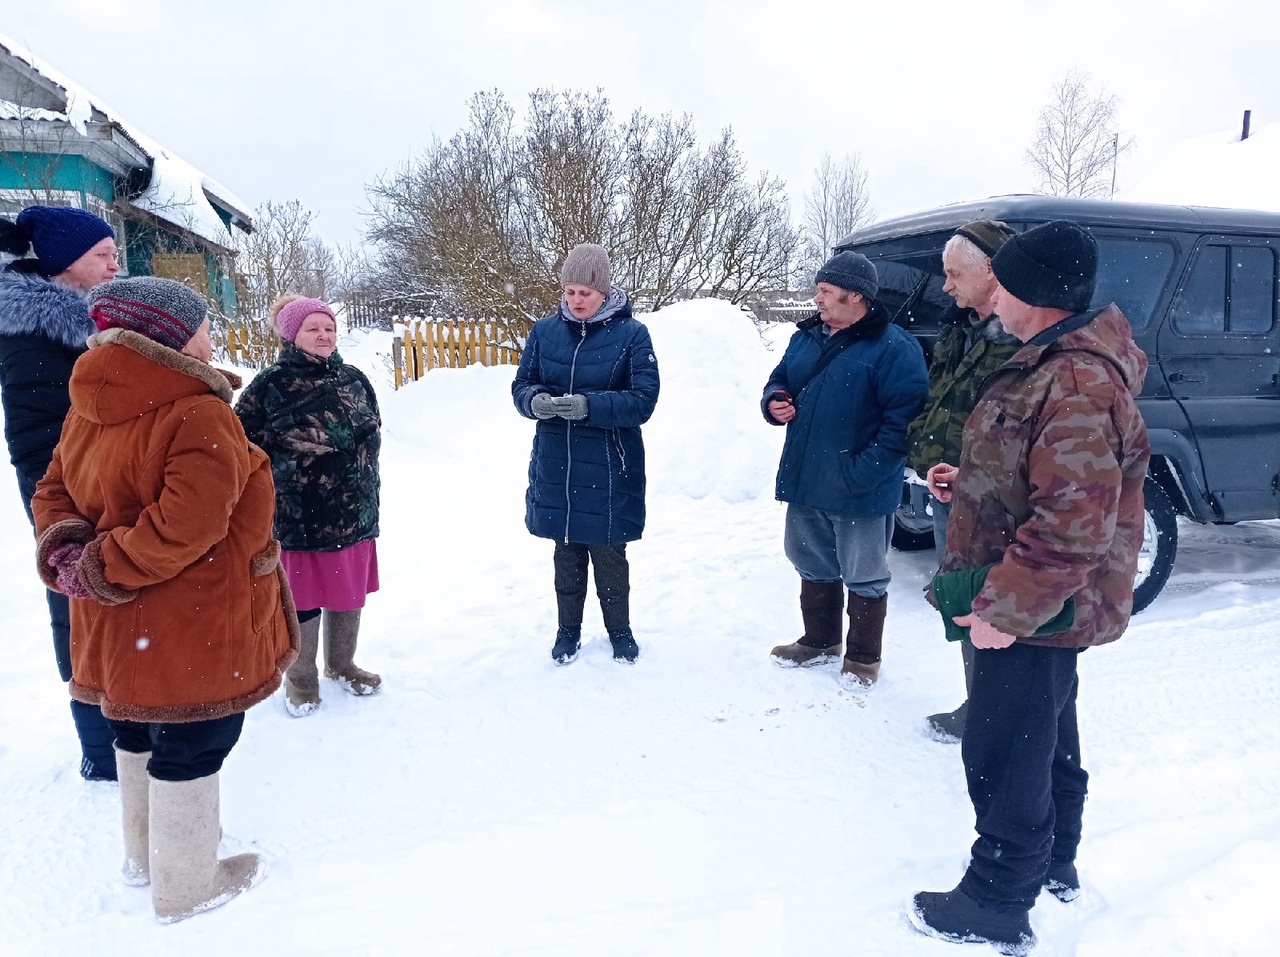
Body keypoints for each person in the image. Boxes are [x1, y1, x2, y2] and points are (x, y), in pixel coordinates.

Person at [909, 221, 1150, 954]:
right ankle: (1054, 862)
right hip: (1043, 599)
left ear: (1033, 292)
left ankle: (996, 898)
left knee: (1006, 748)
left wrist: (1004, 611)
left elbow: (1072, 523)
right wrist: (970, 482)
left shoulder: (1073, 378)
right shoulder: (1051, 363)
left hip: (1035, 602)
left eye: (1003, 285)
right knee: (1045, 734)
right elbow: (1043, 475)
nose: (991, 299)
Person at [31, 276, 298, 923]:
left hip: (118, 623)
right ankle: (187, 884)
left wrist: (77, 557)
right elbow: (188, 524)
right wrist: (102, 565)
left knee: (134, 725)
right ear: (170, 335)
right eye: (203, 326)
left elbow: (52, 492)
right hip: (193, 619)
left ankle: (146, 856)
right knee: (197, 737)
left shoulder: (91, 402)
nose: (211, 337)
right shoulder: (196, 410)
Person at [764, 251, 928, 685]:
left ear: (855, 296)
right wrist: (774, 400)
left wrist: (862, 473)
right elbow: (779, 378)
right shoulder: (806, 337)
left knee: (865, 575)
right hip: (806, 478)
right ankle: (819, 642)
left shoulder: (895, 347)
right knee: (809, 561)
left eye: (825, 291)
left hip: (860, 488)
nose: (816, 298)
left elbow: (903, 423)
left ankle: (862, 659)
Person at [0, 205, 120, 781]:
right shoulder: (34, 335)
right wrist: (63, 515)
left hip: (108, 489)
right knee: (77, 607)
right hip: (69, 499)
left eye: (114, 254)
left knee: (114, 605)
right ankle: (102, 749)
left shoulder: (93, 322)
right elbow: (38, 441)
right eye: (102, 255)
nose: (114, 265)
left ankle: (129, 728)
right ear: (65, 261)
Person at [512, 243, 660, 665]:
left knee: (609, 554)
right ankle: (567, 631)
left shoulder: (632, 335)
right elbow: (522, 384)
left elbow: (643, 400)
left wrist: (589, 406)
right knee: (566, 553)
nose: (577, 300)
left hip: (609, 466)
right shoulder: (544, 332)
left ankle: (620, 631)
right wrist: (534, 400)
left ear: (604, 292)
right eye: (570, 291)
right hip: (557, 463)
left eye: (586, 293)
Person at [236, 295, 383, 716]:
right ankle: (301, 681)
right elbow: (239, 446)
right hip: (299, 517)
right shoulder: (270, 385)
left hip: (355, 512)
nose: (324, 335)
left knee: (348, 594)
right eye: (312, 328)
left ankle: (342, 665)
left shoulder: (354, 379)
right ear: (291, 335)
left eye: (329, 328)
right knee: (301, 600)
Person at [907, 221, 1021, 741]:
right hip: (950, 488)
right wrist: (925, 449)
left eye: (954, 274)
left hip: (996, 499)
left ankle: (999, 714)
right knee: (962, 598)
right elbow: (940, 398)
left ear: (991, 270)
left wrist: (975, 474)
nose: (946, 285)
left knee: (996, 603)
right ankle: (981, 705)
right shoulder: (960, 326)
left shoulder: (1021, 335)